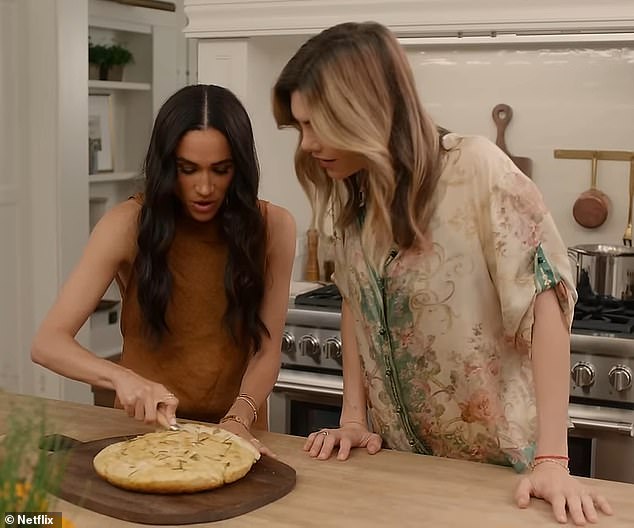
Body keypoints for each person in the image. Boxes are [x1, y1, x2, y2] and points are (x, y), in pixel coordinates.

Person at [272, 21, 612, 524]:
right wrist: (352, 417)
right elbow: (354, 302)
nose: (307, 144)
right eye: (300, 128)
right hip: (400, 470)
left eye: (317, 125)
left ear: (365, 111)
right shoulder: (349, 192)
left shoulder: (476, 168)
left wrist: (553, 460)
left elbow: (547, 302)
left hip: (501, 474)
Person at [32, 84, 296, 455]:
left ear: (240, 167)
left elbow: (267, 352)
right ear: (167, 164)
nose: (204, 187)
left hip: (236, 434)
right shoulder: (126, 224)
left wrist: (238, 418)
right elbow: (48, 342)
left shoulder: (275, 227)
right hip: (142, 436)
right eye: (188, 169)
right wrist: (120, 377)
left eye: (220, 170)